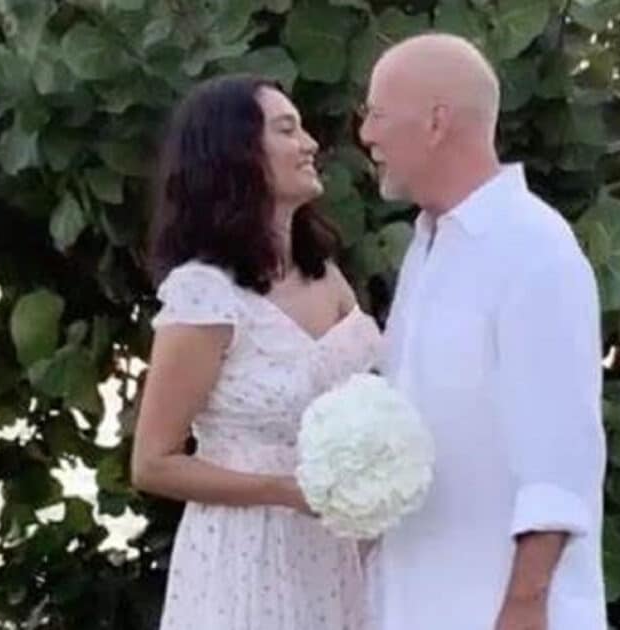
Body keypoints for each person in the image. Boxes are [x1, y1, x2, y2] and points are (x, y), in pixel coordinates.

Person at [359, 34, 607, 629]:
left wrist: (524, 604)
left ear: (436, 122)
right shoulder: (426, 247)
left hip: (500, 608)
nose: (366, 135)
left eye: (377, 114)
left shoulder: (534, 247)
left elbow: (560, 450)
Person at [131, 75, 381, 630]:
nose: (310, 144)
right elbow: (153, 463)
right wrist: (284, 492)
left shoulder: (327, 277)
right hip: (246, 557)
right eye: (287, 130)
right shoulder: (205, 294)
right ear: (237, 153)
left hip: (339, 553)